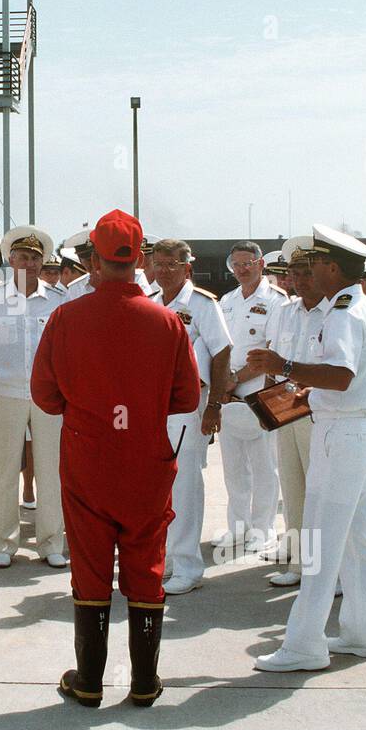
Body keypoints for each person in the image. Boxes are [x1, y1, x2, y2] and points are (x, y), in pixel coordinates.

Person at [32, 210, 199, 709]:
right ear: (140, 258)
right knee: (147, 564)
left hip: (88, 458)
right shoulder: (166, 320)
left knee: (89, 564)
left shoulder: (67, 316)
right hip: (146, 458)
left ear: (95, 259)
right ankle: (144, 682)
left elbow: (44, 395)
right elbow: (187, 397)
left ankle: (89, 680)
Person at [249, 225, 366, 672]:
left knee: (320, 539)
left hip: (342, 433)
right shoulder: (360, 307)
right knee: (357, 538)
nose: (308, 272)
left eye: (316, 264)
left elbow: (341, 375)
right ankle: (364, 632)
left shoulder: (344, 313)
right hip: (357, 429)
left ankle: (305, 644)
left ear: (333, 267)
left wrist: (283, 365)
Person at [0, 227, 67, 569]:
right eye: (23, 257)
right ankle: (4, 543)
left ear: (43, 261)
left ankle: (51, 542)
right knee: (6, 468)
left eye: (36, 258)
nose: (30, 263)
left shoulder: (58, 300)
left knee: (51, 470)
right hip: (5, 392)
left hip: (48, 396)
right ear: (10, 260)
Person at [146, 238, 231, 595]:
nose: (164, 272)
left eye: (172, 266)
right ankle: (163, 560)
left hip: (188, 408)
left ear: (187, 268)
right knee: (156, 489)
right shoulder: (150, 303)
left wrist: (214, 407)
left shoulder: (202, 305)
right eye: (159, 265)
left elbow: (222, 352)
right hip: (153, 408)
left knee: (185, 488)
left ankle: (188, 565)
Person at [215, 240, 289, 552]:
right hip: (229, 394)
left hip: (259, 389)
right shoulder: (228, 300)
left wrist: (234, 379)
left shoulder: (276, 300)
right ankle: (238, 527)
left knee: (264, 468)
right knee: (233, 467)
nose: (242, 270)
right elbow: (219, 346)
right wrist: (223, 383)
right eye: (237, 264)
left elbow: (272, 349)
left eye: (248, 263)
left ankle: (264, 529)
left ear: (261, 264)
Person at [263, 236, 328, 587]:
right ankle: (300, 563)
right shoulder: (286, 312)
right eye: (293, 273)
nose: (299, 280)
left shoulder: (335, 312)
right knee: (293, 486)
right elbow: (273, 357)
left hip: (320, 412)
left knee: (320, 491)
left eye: (305, 272)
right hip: (287, 408)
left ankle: (322, 568)